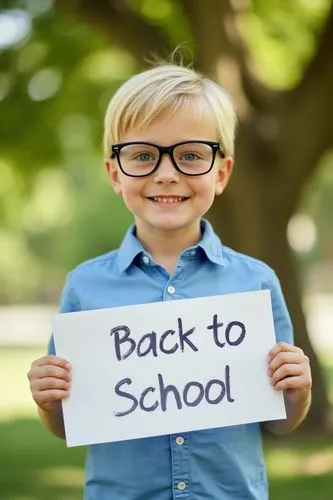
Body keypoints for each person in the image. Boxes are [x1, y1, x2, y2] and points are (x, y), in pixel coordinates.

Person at [28, 63, 312, 499]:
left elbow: (279, 419)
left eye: (191, 154)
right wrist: (49, 400)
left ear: (221, 173)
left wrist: (297, 392)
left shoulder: (256, 282)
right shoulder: (85, 288)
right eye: (142, 154)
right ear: (114, 173)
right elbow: (68, 422)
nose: (166, 173)